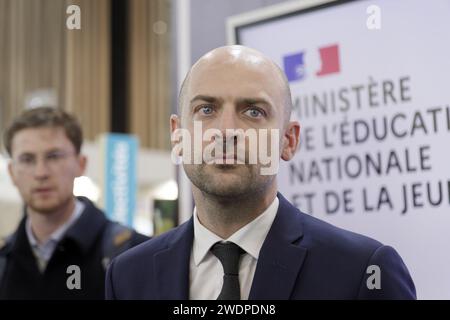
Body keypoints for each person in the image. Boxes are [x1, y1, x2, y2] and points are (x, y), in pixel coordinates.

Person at [105, 45, 416, 300]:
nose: (226, 131)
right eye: (206, 110)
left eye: (253, 111)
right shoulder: (128, 277)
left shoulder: (362, 272)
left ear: (288, 140)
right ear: (177, 134)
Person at [0, 107, 149, 299]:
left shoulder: (134, 255)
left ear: (81, 164)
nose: (40, 173)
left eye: (54, 156)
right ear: (12, 172)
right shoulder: (5, 260)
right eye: (27, 159)